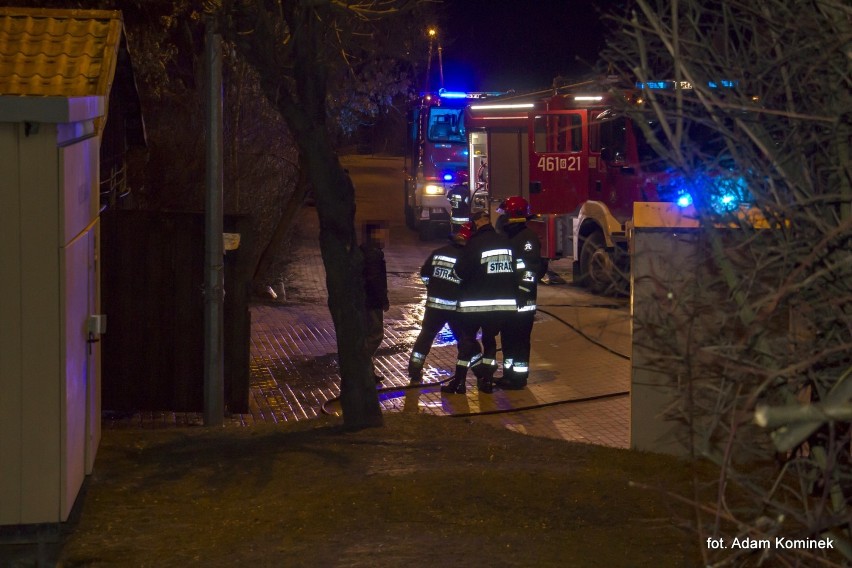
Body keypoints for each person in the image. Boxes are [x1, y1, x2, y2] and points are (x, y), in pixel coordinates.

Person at [448, 209, 517, 394]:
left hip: (475, 304)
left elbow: (460, 272)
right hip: (501, 305)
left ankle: (460, 382)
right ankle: (487, 381)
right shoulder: (506, 243)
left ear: (477, 223)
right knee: (490, 341)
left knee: (467, 341)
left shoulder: (474, 244)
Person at [408, 223, 473, 386]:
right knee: (464, 340)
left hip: (434, 306)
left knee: (425, 337)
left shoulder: (438, 253)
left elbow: (424, 274)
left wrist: (432, 288)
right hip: (456, 308)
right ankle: (475, 374)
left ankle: (414, 370)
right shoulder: (469, 258)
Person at [496, 196, 547, 390]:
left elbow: (530, 271)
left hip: (522, 302)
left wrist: (520, 294)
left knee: (519, 341)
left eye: (504, 214)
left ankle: (518, 378)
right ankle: (508, 374)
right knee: (508, 339)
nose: (501, 219)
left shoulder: (527, 239)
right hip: (508, 300)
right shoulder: (508, 236)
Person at [361, 220, 389, 384]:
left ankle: (368, 371)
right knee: (375, 334)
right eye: (381, 233)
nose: (384, 236)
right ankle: (361, 364)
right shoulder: (373, 254)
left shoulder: (366, 250)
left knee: (369, 333)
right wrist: (383, 300)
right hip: (371, 300)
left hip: (366, 299)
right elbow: (375, 280)